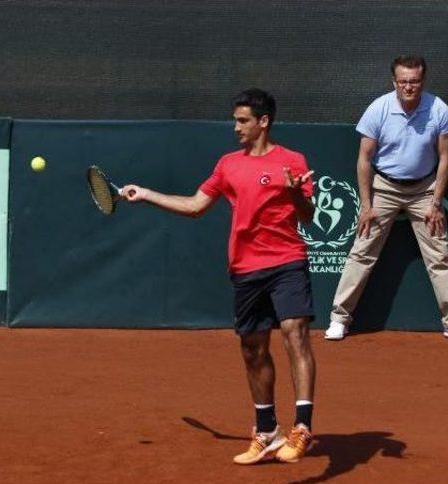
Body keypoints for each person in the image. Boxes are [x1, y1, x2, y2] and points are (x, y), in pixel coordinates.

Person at [122, 88, 317, 464]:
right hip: (246, 267)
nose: (236, 127)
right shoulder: (228, 164)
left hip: (286, 260)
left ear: (264, 122)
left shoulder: (292, 161)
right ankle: (267, 431)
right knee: (252, 348)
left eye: (243, 120)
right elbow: (196, 205)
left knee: (295, 331)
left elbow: (306, 216)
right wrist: (145, 193)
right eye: (235, 120)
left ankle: (303, 427)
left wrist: (294, 195)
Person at [325, 55, 448, 344]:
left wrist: (435, 202)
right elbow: (364, 158)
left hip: (425, 189)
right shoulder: (378, 109)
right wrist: (366, 206)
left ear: (423, 81)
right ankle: (339, 318)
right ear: (394, 81)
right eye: (403, 81)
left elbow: (444, 159)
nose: (409, 87)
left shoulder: (438, 109)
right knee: (362, 250)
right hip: (384, 187)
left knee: (441, 255)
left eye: (414, 81)